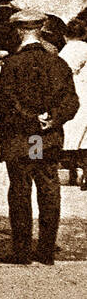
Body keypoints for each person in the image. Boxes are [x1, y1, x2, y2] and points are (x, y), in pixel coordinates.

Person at [0, 9, 79, 265]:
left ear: (19, 31)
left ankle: (21, 251)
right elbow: (71, 101)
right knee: (48, 189)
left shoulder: (12, 64)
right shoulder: (57, 62)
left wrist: (29, 120)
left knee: (20, 190)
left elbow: (5, 102)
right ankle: (46, 250)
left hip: (23, 137)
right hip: (45, 137)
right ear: (41, 29)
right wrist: (51, 118)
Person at [56, 17, 87, 189]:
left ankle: (72, 171)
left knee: (70, 137)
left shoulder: (67, 51)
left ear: (65, 35)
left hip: (75, 97)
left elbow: (62, 75)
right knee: (84, 140)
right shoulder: (85, 48)